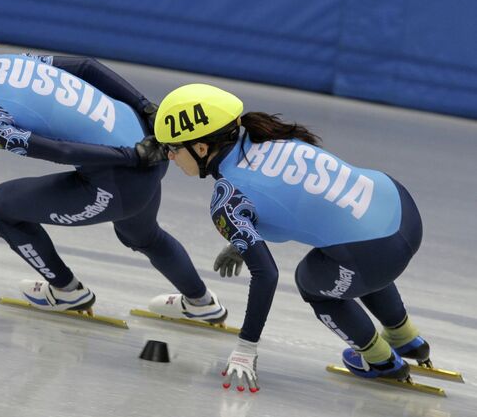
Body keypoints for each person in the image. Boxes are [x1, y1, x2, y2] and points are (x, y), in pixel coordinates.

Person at [0, 11, 227, 323]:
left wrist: (130, 157)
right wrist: (146, 109)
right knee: (142, 234)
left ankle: (66, 291)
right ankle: (202, 303)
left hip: (124, 173)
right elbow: (84, 66)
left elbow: (61, 151)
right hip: (149, 142)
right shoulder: (7, 62)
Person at [152, 83, 430, 392]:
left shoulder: (227, 196)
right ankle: (406, 338)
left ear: (201, 148)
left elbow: (266, 274)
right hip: (400, 208)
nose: (170, 156)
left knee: (312, 281)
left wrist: (246, 346)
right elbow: (295, 200)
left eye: (173, 148)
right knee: (348, 252)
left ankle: (380, 360)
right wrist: (241, 240)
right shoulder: (264, 134)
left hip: (376, 253)